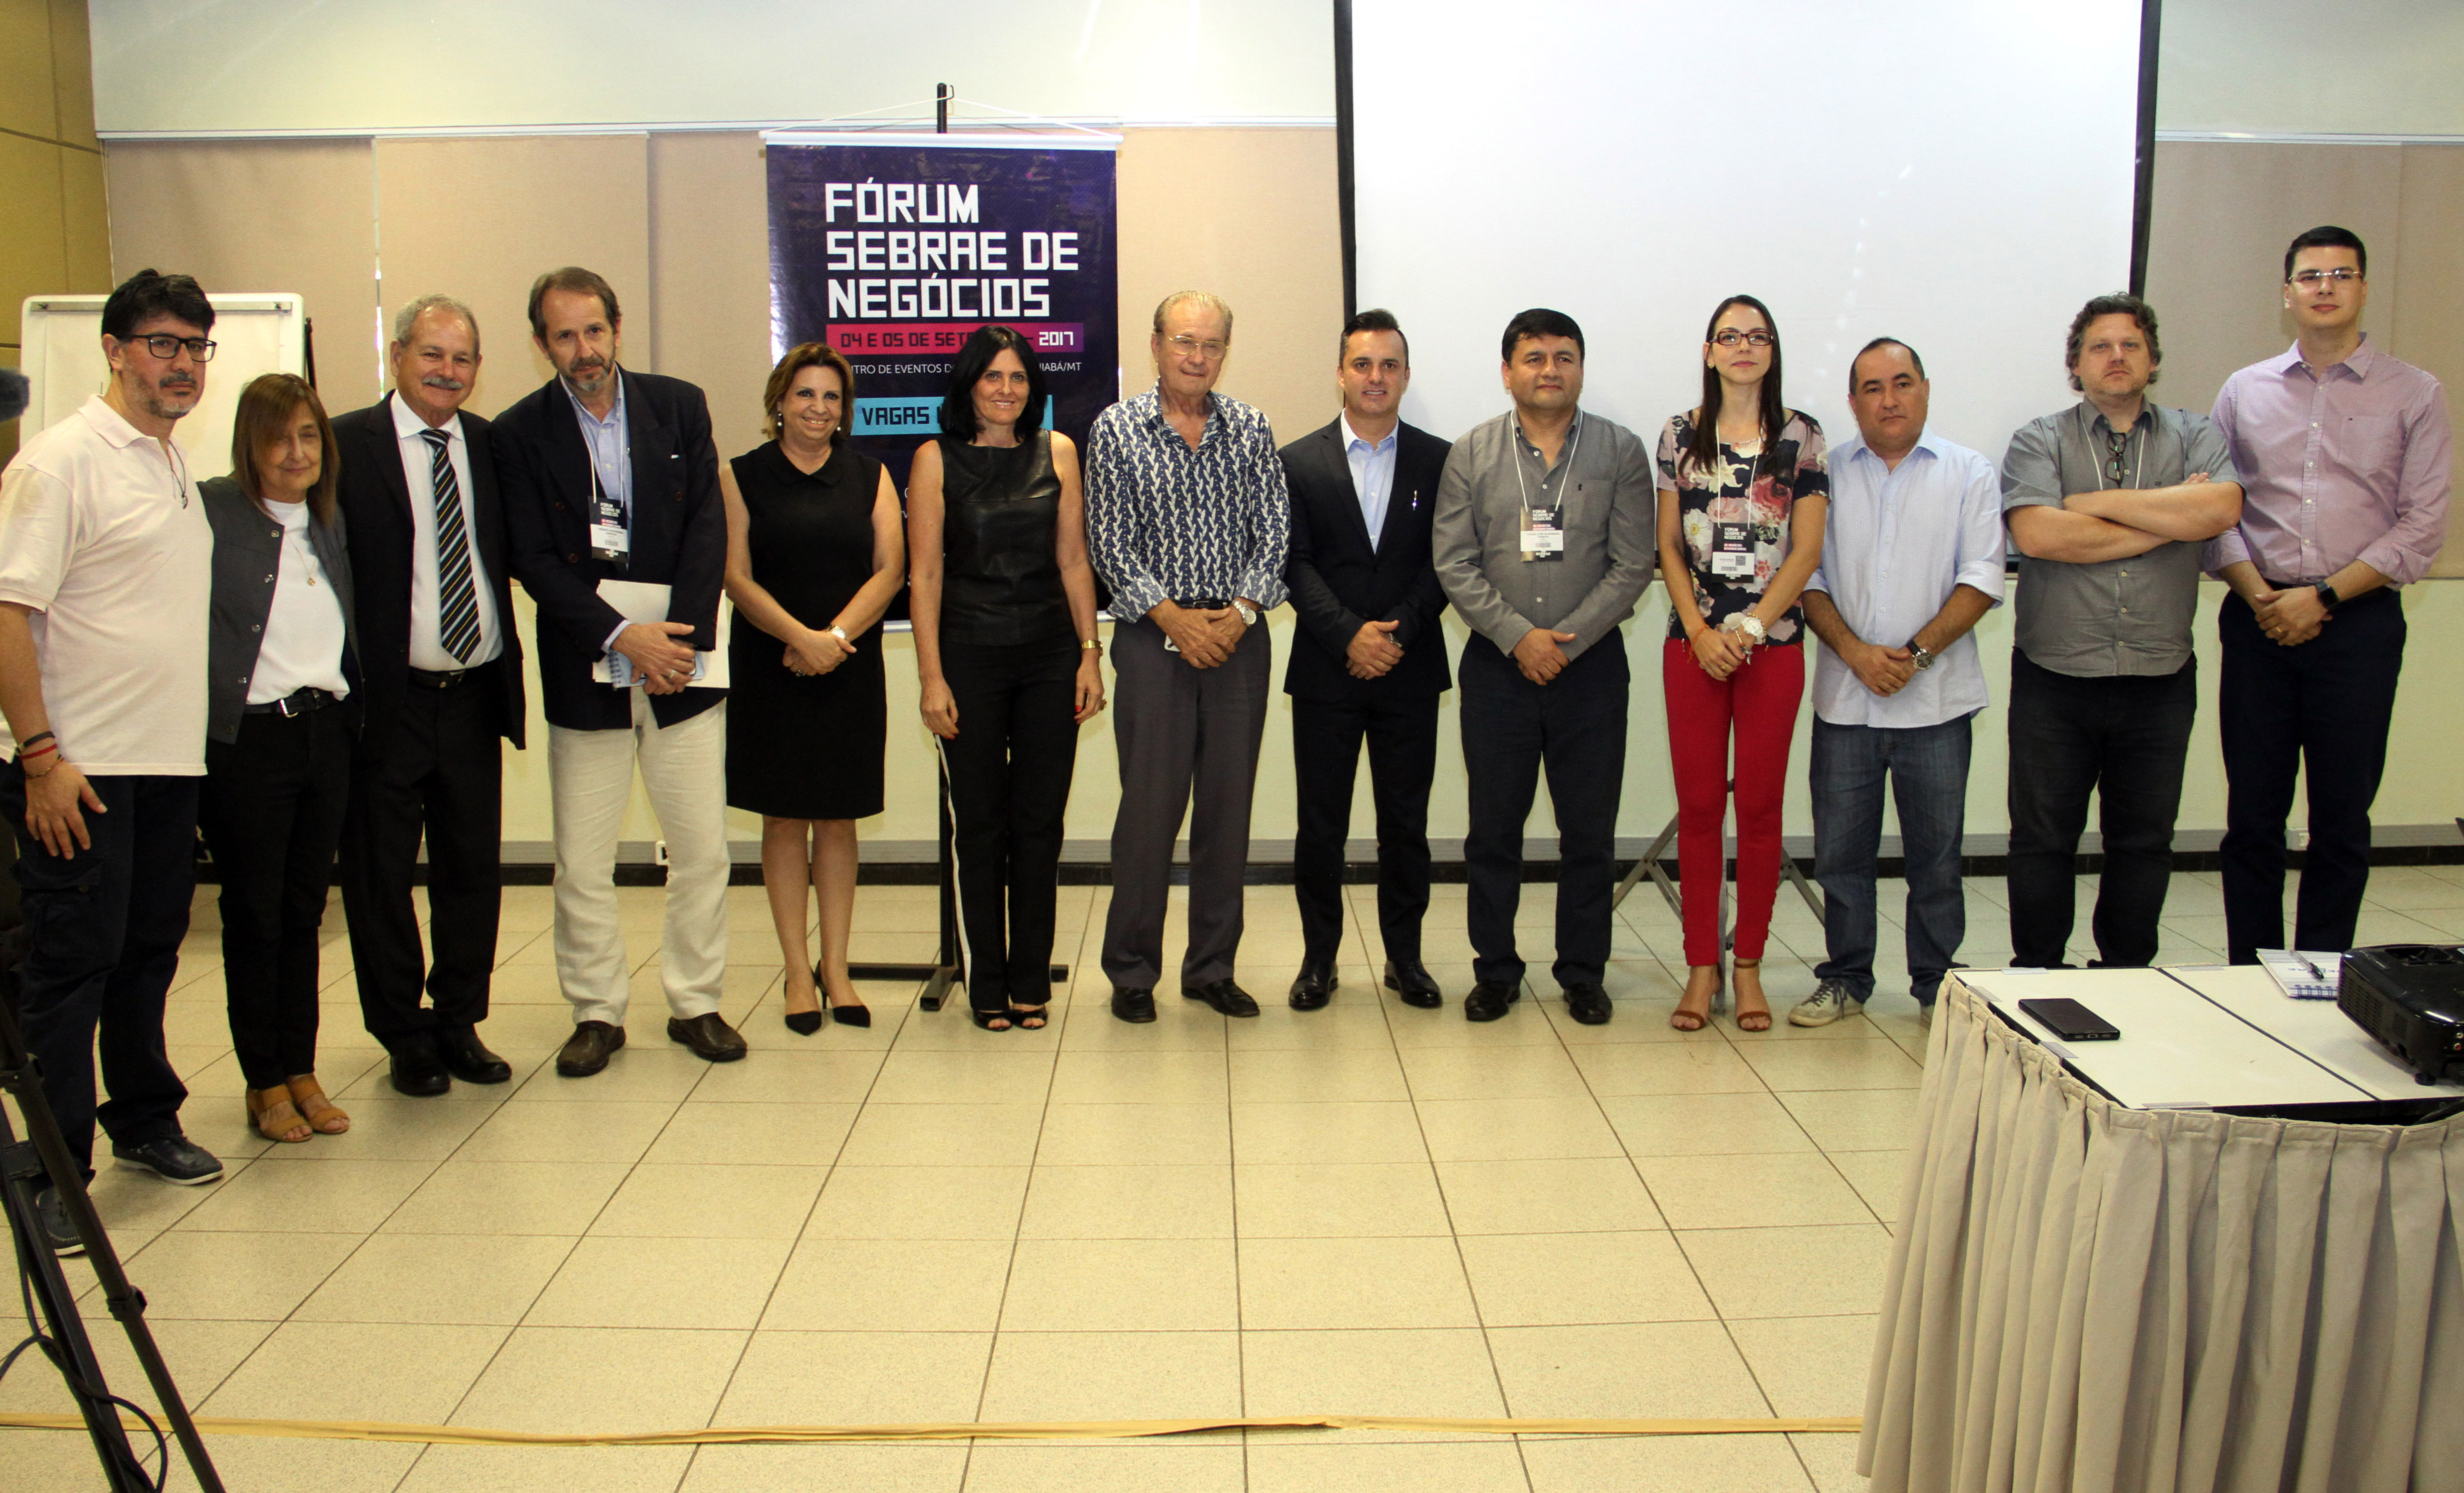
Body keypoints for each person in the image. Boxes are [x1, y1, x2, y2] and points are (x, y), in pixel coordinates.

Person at [0, 269, 222, 1255]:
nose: (183, 364)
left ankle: (144, 1120)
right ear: (115, 350)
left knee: (146, 952)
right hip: (78, 769)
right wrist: (41, 757)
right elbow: (8, 613)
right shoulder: (62, 462)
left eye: (196, 347)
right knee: (71, 965)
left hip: (165, 764)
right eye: (163, 344)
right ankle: (55, 1172)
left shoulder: (170, 461)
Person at [496, 266, 742, 1076]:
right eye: (564, 336)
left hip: (682, 663)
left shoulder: (678, 405)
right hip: (587, 662)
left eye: (594, 330)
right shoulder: (518, 432)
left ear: (617, 327)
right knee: (583, 861)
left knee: (701, 851)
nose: (584, 350)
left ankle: (696, 1002)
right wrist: (623, 637)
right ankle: (597, 1012)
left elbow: (708, 526)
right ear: (542, 344)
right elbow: (532, 558)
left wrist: (677, 644)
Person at [2206, 226, 2452, 964]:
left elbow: (2423, 525)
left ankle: (2322, 975)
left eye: (2342, 274)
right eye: (2310, 276)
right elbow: (2214, 511)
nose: (2325, 287)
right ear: (2287, 293)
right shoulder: (2243, 391)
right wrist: (2263, 596)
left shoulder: (2416, 392)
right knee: (2253, 816)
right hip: (2258, 619)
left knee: (2342, 819)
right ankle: (2250, 973)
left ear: (2363, 289)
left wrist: (2321, 597)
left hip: (2358, 625)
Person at [2000, 294, 2242, 970]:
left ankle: (2127, 977)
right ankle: (2037, 972)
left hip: (2159, 676)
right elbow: (2040, 535)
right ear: (2075, 365)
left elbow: (2221, 509)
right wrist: (2170, 518)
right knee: (2042, 839)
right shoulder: (2039, 439)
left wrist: (2093, 506)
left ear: (2153, 360)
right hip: (2055, 675)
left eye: (2130, 345)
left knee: (2143, 842)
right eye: (2099, 347)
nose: (2116, 357)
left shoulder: (2196, 434)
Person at [1432, 308, 1653, 1025]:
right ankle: (1495, 971)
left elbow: (1633, 565)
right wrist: (1519, 637)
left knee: (1588, 832)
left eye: (1564, 357)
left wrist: (1565, 642)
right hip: (1499, 667)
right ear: (1508, 372)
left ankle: (1582, 973)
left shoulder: (1620, 451)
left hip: (1591, 670)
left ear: (1581, 369)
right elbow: (1454, 563)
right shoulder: (1472, 452)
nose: (1549, 370)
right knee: (1493, 832)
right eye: (1534, 358)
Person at [330, 295, 526, 1097]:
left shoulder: (491, 445)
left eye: (463, 358)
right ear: (398, 355)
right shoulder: (345, 445)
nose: (448, 371)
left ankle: (458, 1020)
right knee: (379, 875)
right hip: (388, 701)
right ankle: (403, 1033)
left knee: (471, 869)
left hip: (474, 692)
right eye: (432, 354)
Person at [1084, 291, 1289, 1023]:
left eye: (1211, 345)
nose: (1197, 357)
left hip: (1239, 636)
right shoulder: (1116, 430)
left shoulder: (1252, 428)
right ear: (1156, 345)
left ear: (1225, 352)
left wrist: (1240, 613)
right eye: (1184, 342)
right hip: (1153, 638)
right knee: (1149, 812)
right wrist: (1175, 618)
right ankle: (1133, 972)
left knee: (1227, 814)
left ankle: (1211, 969)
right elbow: (1108, 542)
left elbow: (1276, 532)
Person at [1789, 340, 2004, 1027]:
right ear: (1853, 403)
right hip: (1845, 701)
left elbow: (1982, 577)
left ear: (1926, 389)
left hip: (1937, 703)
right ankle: (1846, 978)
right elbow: (1806, 575)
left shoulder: (1968, 471)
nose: (1890, 400)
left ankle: (1936, 985)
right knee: (1840, 858)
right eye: (1873, 388)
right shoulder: (1824, 475)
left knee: (1935, 860)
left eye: (1903, 383)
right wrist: (1857, 654)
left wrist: (1914, 655)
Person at [908, 327, 1102, 1032]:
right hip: (969, 658)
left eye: (1018, 377)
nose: (1006, 390)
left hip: (1051, 658)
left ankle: (1030, 981)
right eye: (992, 377)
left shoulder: (1060, 452)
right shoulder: (934, 459)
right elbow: (925, 575)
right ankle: (986, 981)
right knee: (982, 827)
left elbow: (1074, 560)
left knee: (1040, 825)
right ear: (969, 385)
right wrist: (931, 677)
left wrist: (1090, 654)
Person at [1655, 295, 1828, 1032]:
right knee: (1700, 810)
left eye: (1758, 337)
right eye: (1729, 337)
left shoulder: (1802, 436)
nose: (1744, 348)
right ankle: (1702, 966)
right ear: (1709, 352)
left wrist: (1751, 629)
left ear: (1772, 351)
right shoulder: (1679, 434)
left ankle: (1749, 963)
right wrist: (1701, 631)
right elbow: (1668, 546)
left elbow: (1807, 552)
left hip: (1773, 647)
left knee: (1759, 810)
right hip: (1692, 646)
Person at [722, 343, 905, 1032]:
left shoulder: (871, 476)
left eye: (831, 397)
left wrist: (831, 640)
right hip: (770, 665)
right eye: (805, 394)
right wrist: (800, 639)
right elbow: (735, 576)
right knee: (783, 818)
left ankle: (837, 969)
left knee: (838, 817)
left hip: (847, 665)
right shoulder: (740, 476)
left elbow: (891, 569)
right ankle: (797, 973)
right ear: (780, 401)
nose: (818, 408)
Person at [199, 374, 359, 1144]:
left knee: (304, 913)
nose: (296, 452)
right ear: (250, 446)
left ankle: (301, 1067)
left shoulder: (327, 520)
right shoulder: (213, 513)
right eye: (278, 438)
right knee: (255, 913)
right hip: (250, 745)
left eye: (308, 436)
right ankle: (263, 1079)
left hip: (324, 736)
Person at [1281, 309, 1452, 1012]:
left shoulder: (1442, 461)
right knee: (1320, 826)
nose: (1375, 377)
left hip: (1410, 670)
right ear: (1341, 374)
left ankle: (1405, 959)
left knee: (1405, 826)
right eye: (1362, 364)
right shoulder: (1297, 461)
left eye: (1389, 365)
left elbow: (1449, 561)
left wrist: (1395, 636)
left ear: (1406, 376)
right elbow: (1293, 562)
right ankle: (1318, 961)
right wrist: (1349, 635)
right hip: (1326, 670)